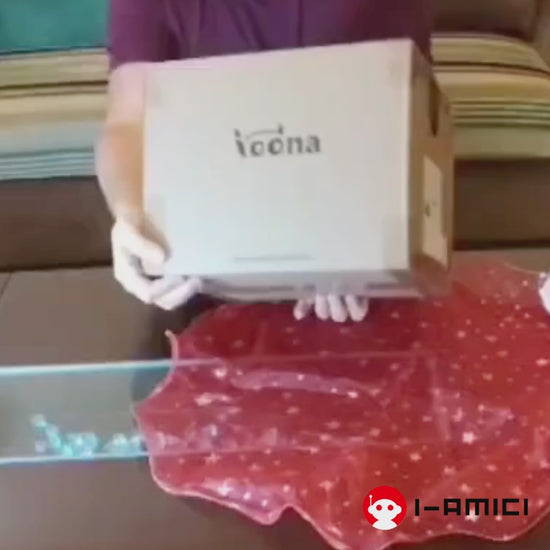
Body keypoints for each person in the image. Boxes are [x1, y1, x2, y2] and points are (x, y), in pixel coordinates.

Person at [96, 0, 433, 323]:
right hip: (203, 278)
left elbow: (405, 115)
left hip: (351, 253)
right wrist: (130, 213)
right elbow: (128, 123)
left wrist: (372, 261)